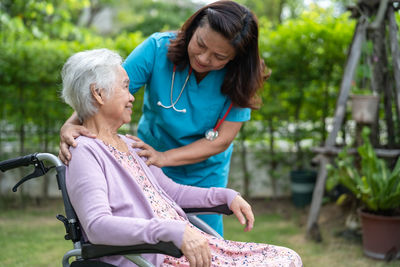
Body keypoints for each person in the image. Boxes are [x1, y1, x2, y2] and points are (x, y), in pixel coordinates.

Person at [61, 48, 301, 267]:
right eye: (125, 87)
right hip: (158, 257)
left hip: (187, 250)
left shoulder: (130, 144)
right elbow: (97, 226)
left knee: (288, 258)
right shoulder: (85, 152)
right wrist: (171, 231)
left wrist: (226, 196)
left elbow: (172, 193)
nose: (132, 96)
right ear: (99, 94)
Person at [59, 0, 267, 236]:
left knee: (207, 241)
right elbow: (107, 92)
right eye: (200, 44)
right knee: (155, 238)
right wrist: (70, 125)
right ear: (192, 29)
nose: (204, 58)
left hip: (204, 173)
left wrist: (165, 157)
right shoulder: (157, 49)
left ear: (235, 59)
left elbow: (221, 140)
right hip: (150, 165)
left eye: (219, 56)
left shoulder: (243, 77)